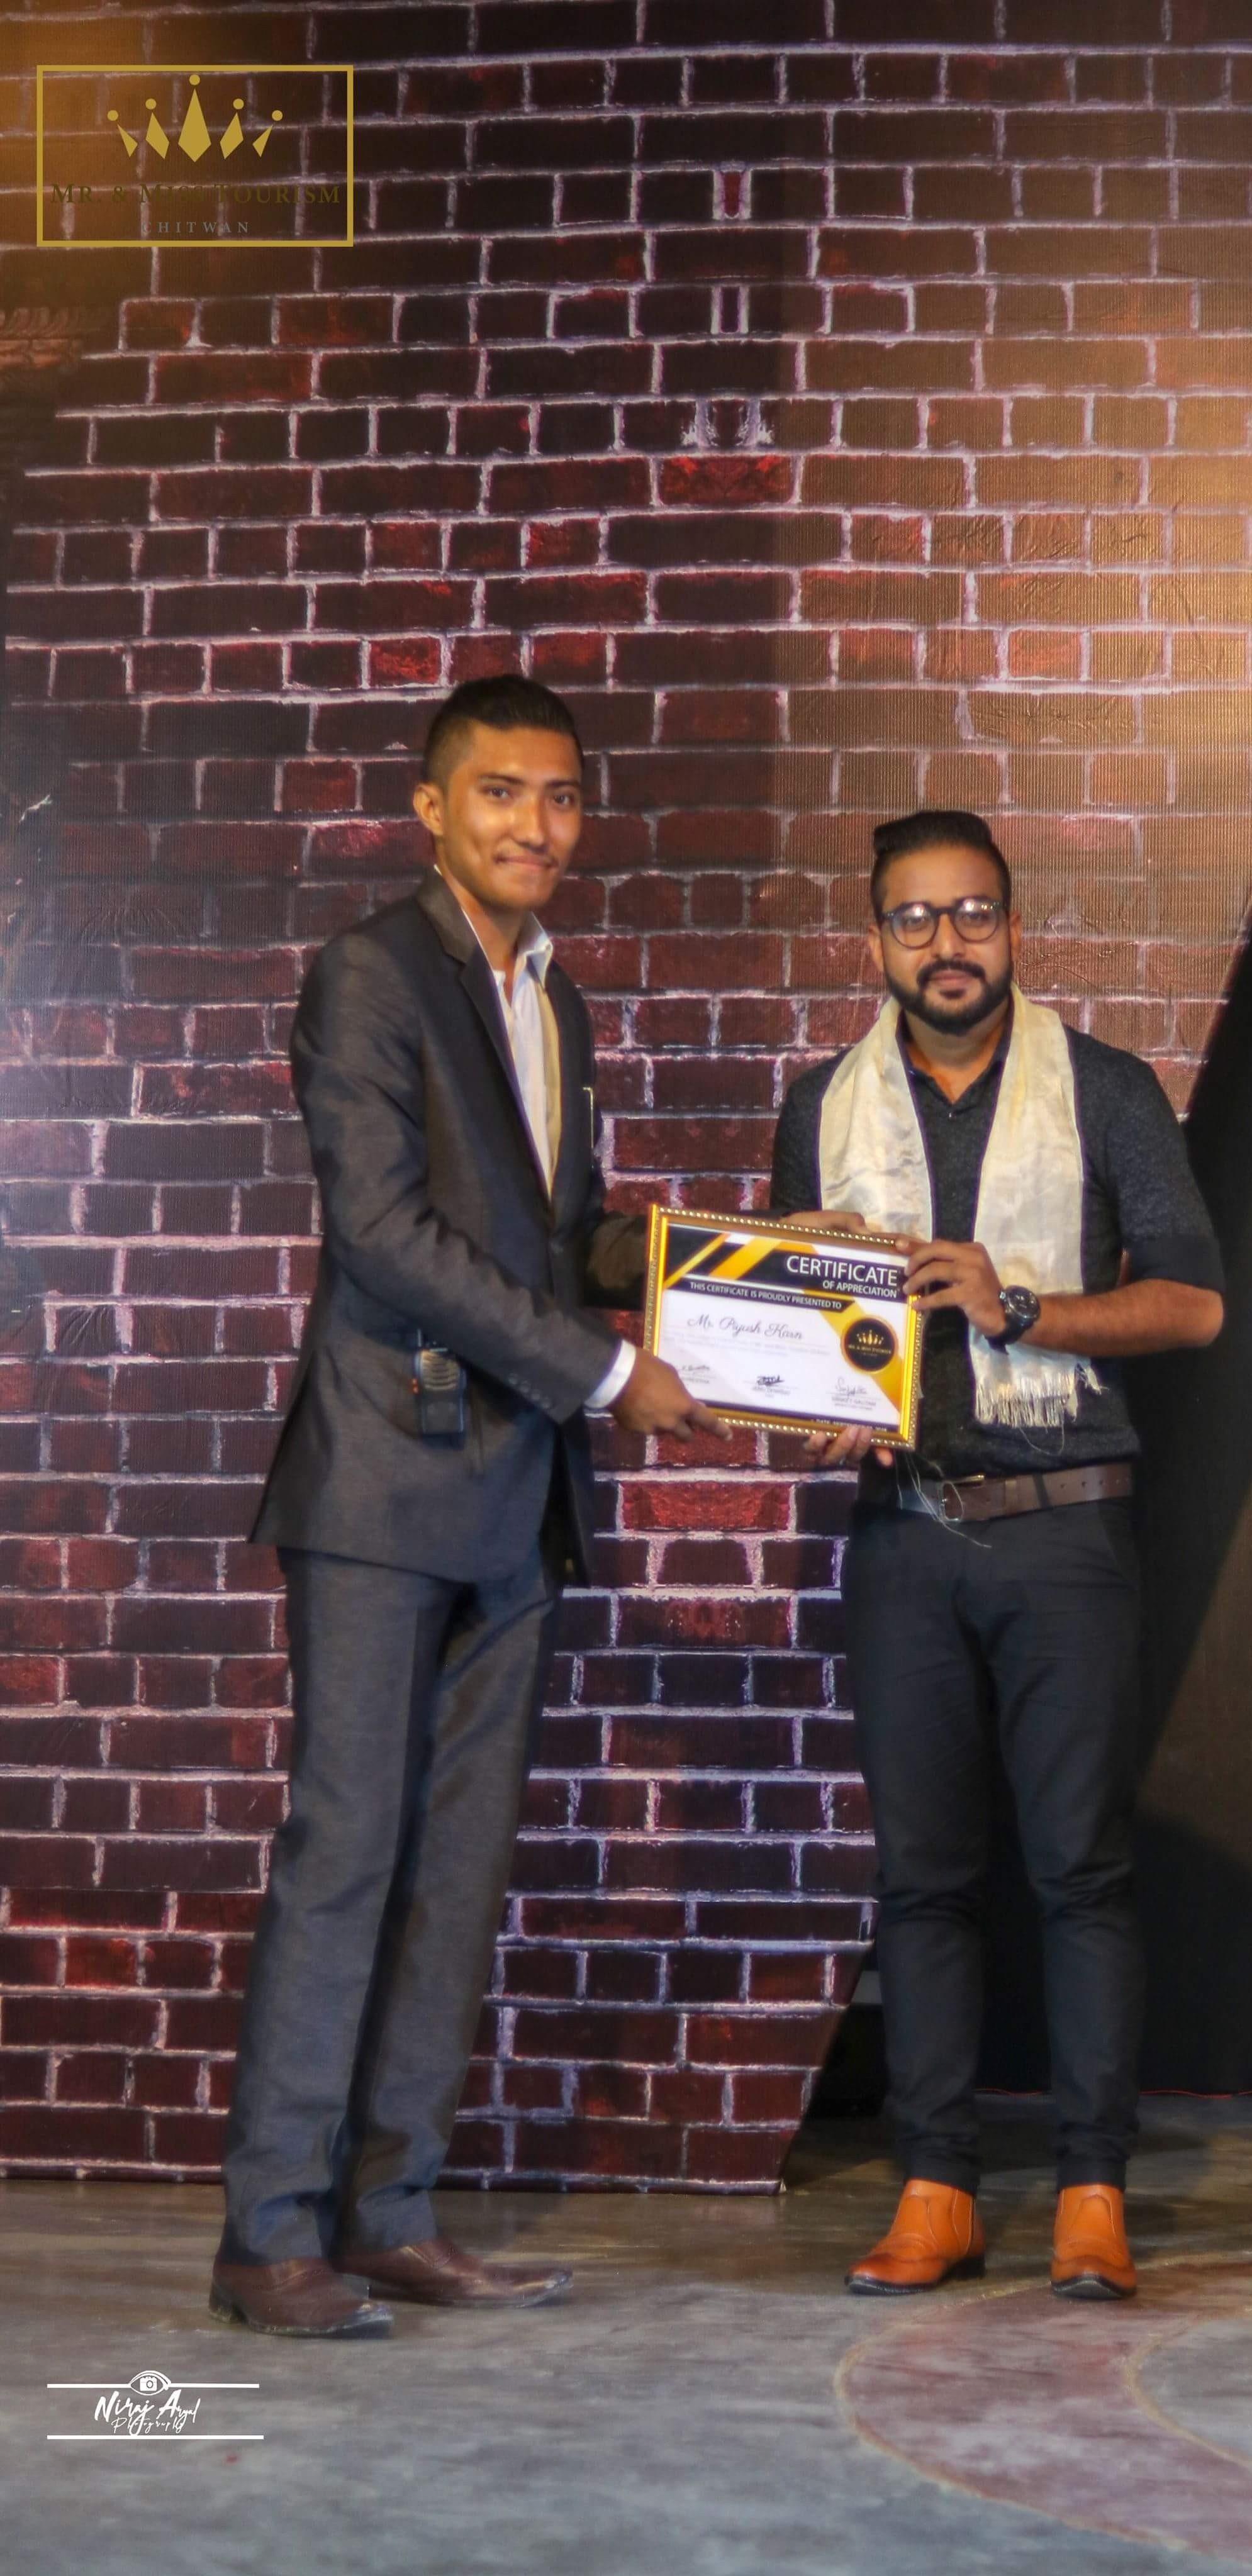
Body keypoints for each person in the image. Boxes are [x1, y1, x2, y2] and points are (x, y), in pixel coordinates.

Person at [212, 674, 720, 2338]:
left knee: (456, 1869)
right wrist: (602, 1369)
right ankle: (268, 2239)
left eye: (560, 795)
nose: (535, 824)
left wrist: (748, 1273)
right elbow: (383, 1236)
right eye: (500, 791)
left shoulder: (556, 1001)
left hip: (517, 1492)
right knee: (346, 1853)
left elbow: (560, 1235)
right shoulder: (369, 973)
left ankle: (388, 2214)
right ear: (431, 808)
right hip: (383, 1480)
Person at [771, 809, 1223, 2302]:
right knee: (920, 1880)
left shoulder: (1102, 1087)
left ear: (1012, 928)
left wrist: (1015, 1303)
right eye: (913, 919)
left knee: (1078, 1869)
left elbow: (1191, 1303)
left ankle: (1090, 2190)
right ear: (874, 941)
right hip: (901, 1533)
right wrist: (816, 1404)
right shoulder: (819, 1105)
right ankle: (937, 2189)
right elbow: (798, 1330)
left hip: (1063, 1527)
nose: (945, 943)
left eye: (972, 913)